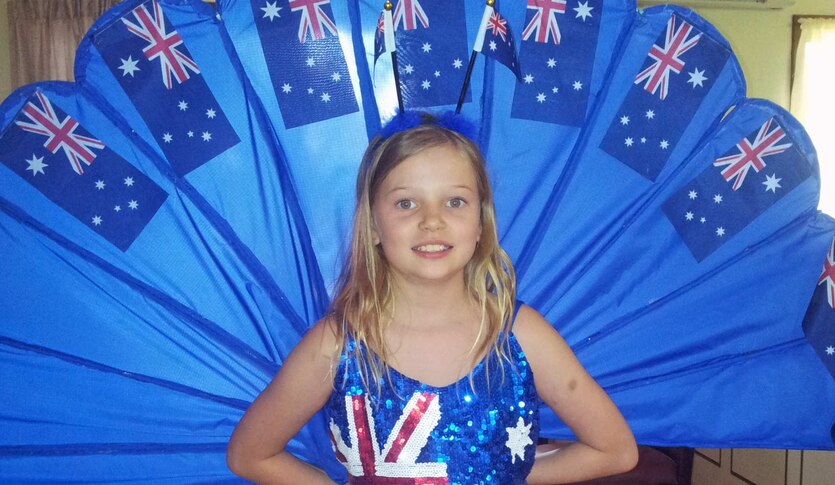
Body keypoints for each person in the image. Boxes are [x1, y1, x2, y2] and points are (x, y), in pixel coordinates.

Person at [226, 112, 638, 484]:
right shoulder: (335, 345)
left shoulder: (521, 335)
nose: (432, 220)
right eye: (406, 203)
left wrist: (508, 475)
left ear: (480, 224)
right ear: (372, 226)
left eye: (455, 201)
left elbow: (614, 450)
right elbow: (250, 455)